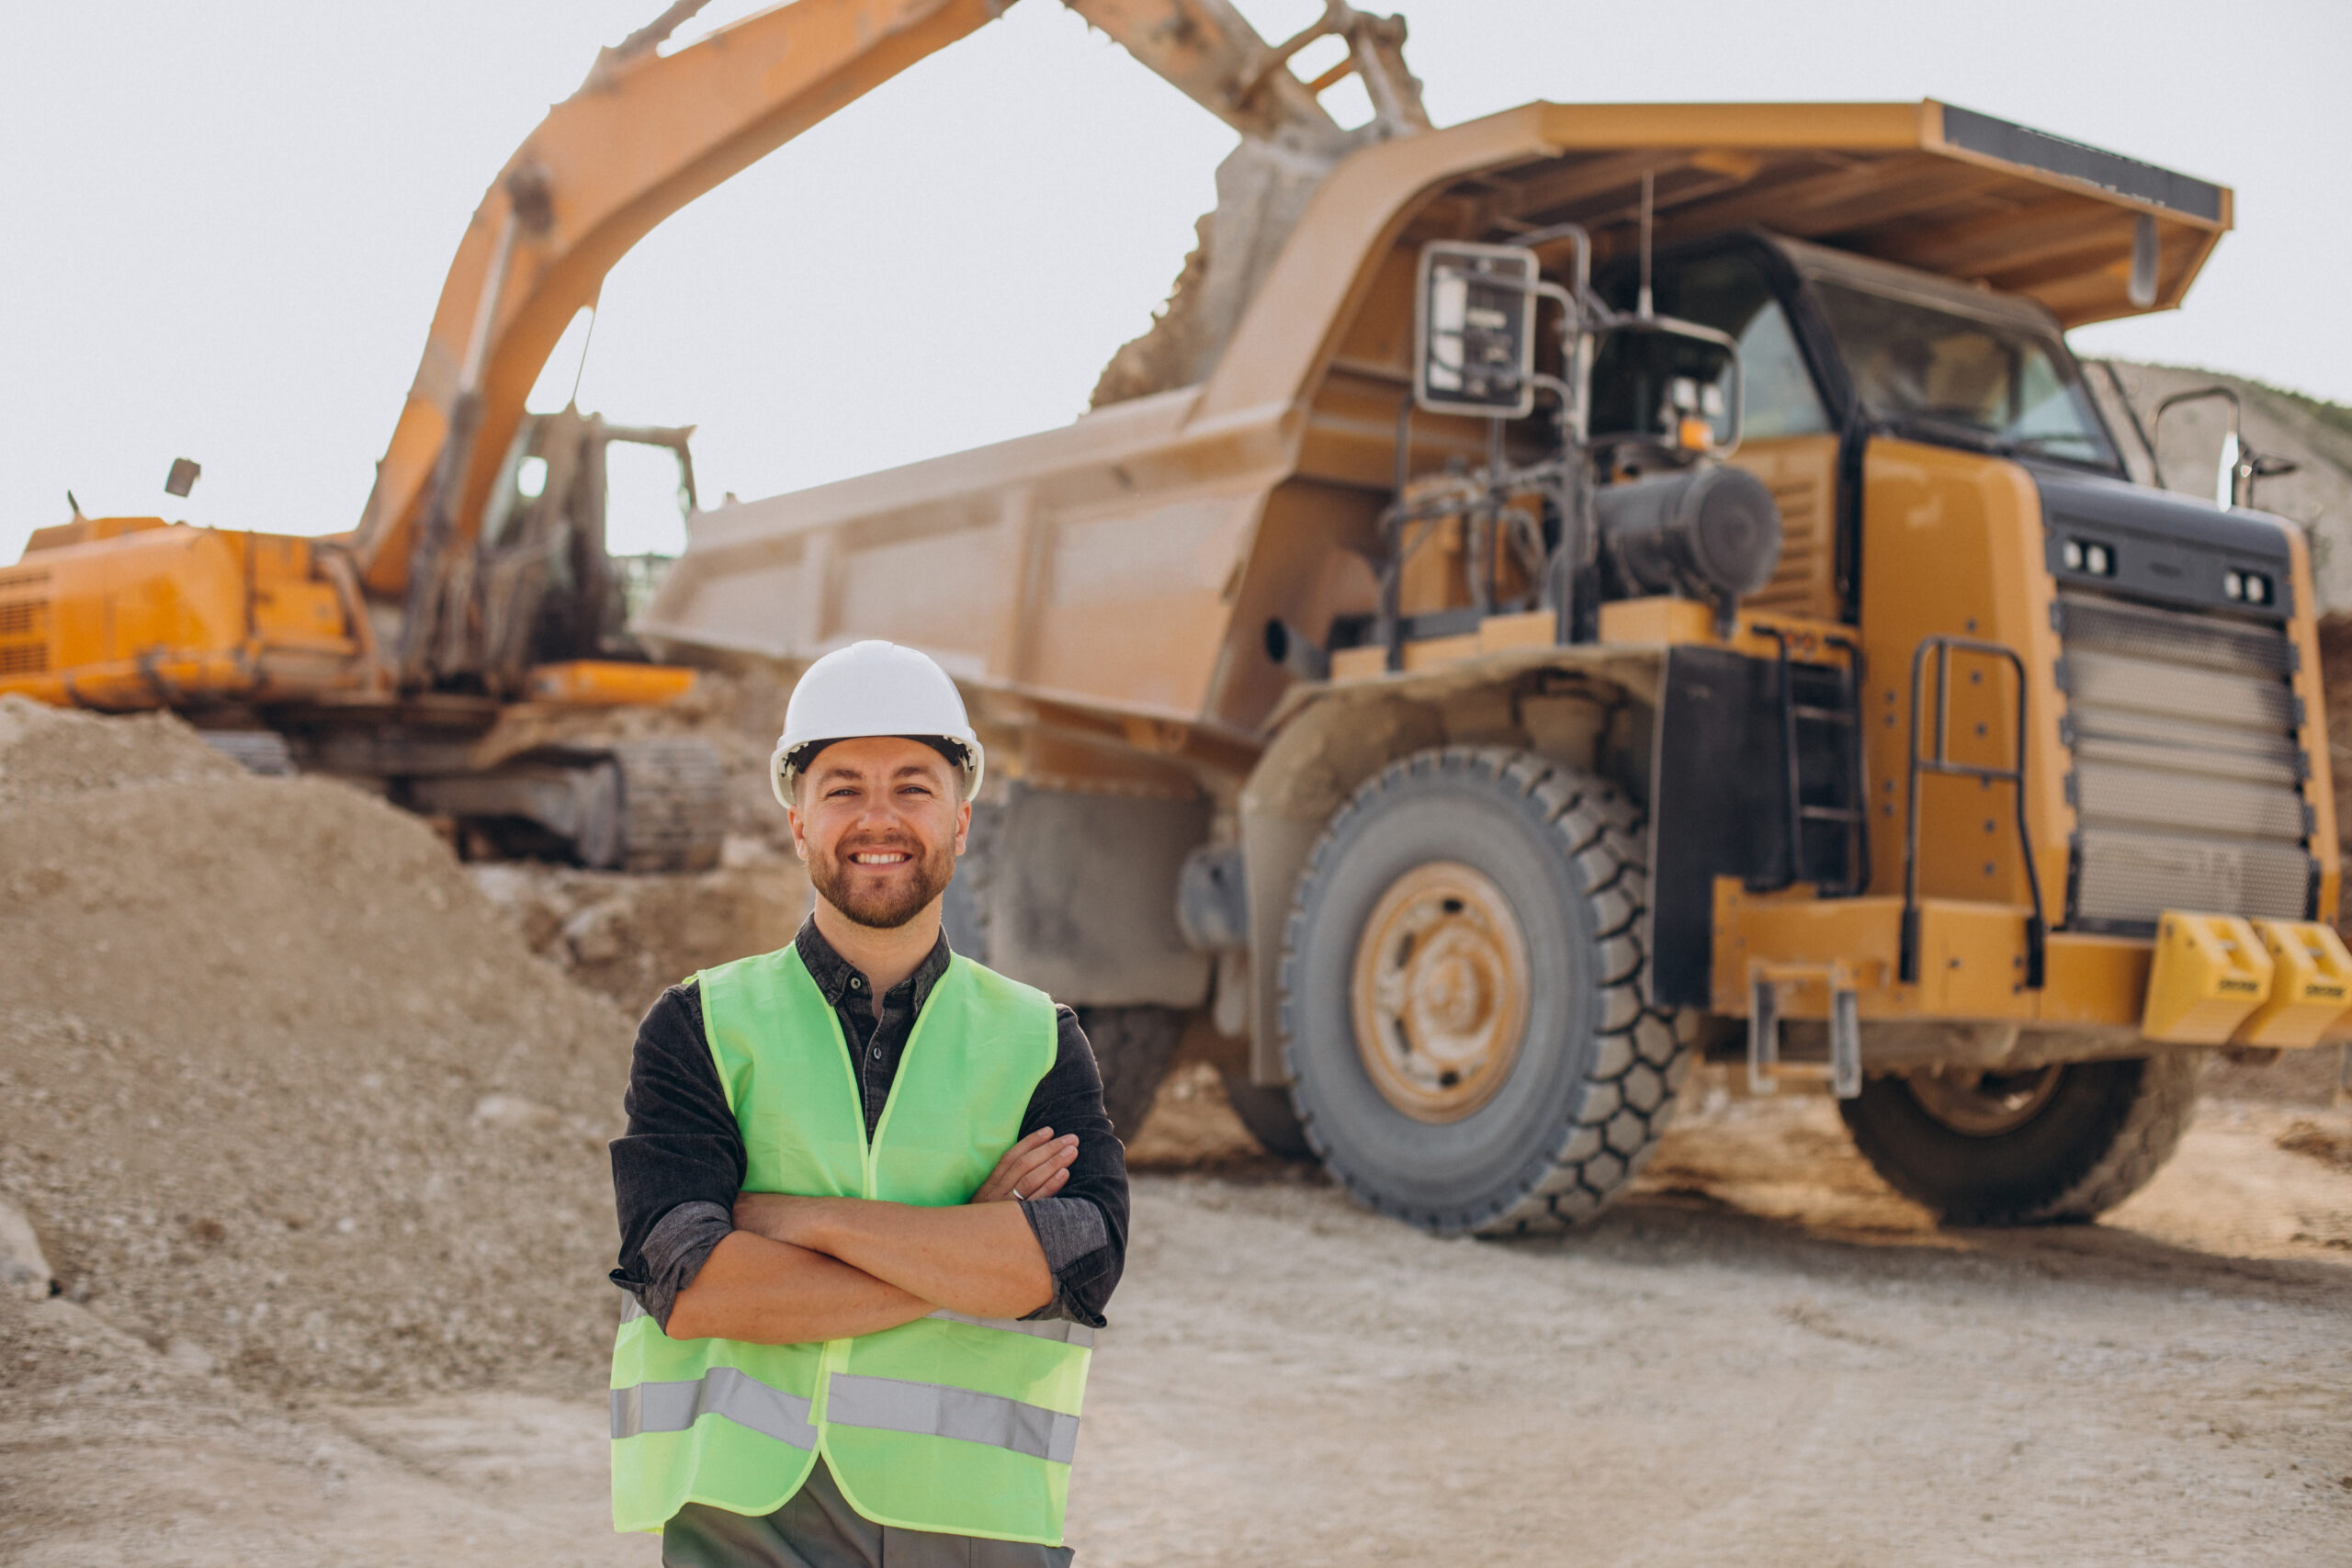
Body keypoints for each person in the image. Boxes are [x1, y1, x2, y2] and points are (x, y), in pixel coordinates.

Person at [608, 639, 1128, 1566]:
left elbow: (1076, 1264)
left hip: (975, 1521)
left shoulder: (1038, 1038)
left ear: (961, 822)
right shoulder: (699, 1026)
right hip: (750, 1519)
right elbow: (687, 1286)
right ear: (798, 822)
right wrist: (963, 1246)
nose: (877, 818)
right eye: (842, 786)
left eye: (912, 787)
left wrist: (797, 1221)